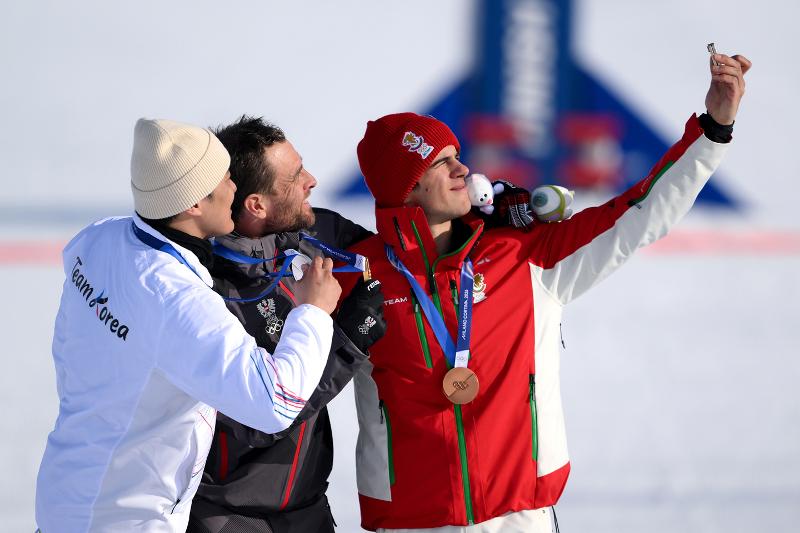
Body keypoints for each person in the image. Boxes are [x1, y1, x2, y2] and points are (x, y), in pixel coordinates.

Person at [338, 52, 751, 532]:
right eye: (439, 162)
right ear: (403, 185)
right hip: (414, 522)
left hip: (521, 517)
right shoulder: (355, 277)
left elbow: (639, 212)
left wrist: (713, 131)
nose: (461, 169)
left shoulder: (524, 254)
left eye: (456, 155)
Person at [34, 118, 342, 533]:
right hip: (130, 519)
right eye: (226, 180)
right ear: (193, 204)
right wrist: (313, 313)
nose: (235, 190)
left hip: (66, 496)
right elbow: (276, 403)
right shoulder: (178, 300)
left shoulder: (98, 239)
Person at [187, 116, 386, 533]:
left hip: (308, 507)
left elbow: (401, 247)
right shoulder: (206, 290)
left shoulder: (306, 229)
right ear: (256, 205)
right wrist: (348, 340)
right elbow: (258, 417)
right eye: (296, 177)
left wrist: (487, 217)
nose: (312, 180)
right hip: (228, 517)